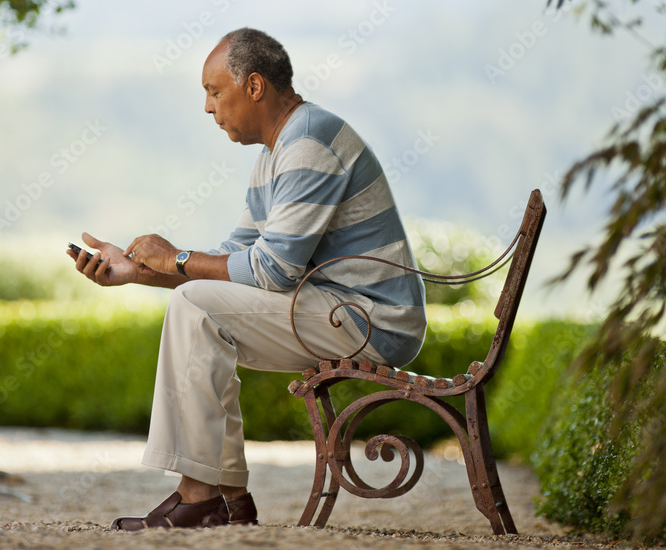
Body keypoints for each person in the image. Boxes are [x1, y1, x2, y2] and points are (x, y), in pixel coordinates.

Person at [68, 28, 426, 530]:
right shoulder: (275, 154)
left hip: (373, 319)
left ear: (254, 86)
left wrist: (175, 258)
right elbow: (235, 263)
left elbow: (271, 270)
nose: (209, 109)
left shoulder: (309, 142)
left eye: (215, 92)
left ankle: (199, 496)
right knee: (202, 311)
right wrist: (137, 273)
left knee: (197, 307)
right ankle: (229, 499)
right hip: (341, 309)